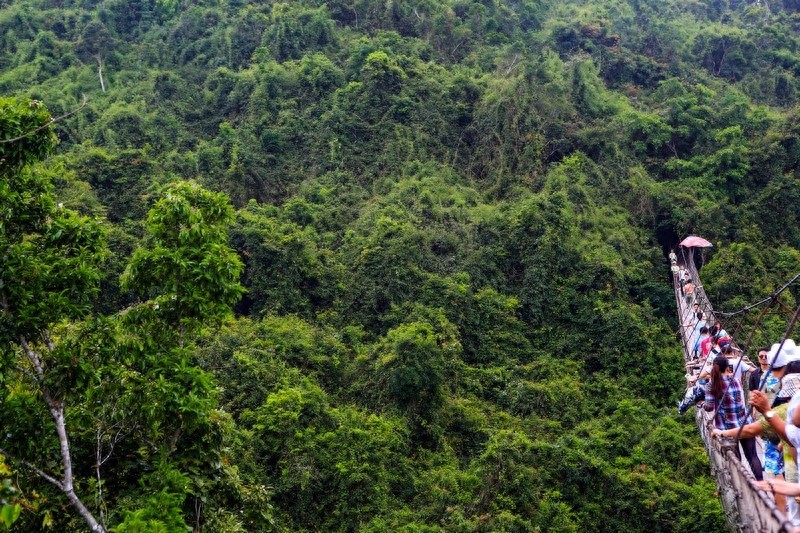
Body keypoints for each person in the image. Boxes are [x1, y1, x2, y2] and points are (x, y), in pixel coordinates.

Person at [704, 356, 764, 480]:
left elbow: (709, 408)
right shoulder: (736, 380)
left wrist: (701, 403)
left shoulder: (712, 384)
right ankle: (761, 483)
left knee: (736, 459)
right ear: (728, 367)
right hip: (744, 423)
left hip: (727, 428)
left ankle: (741, 484)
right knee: (752, 456)